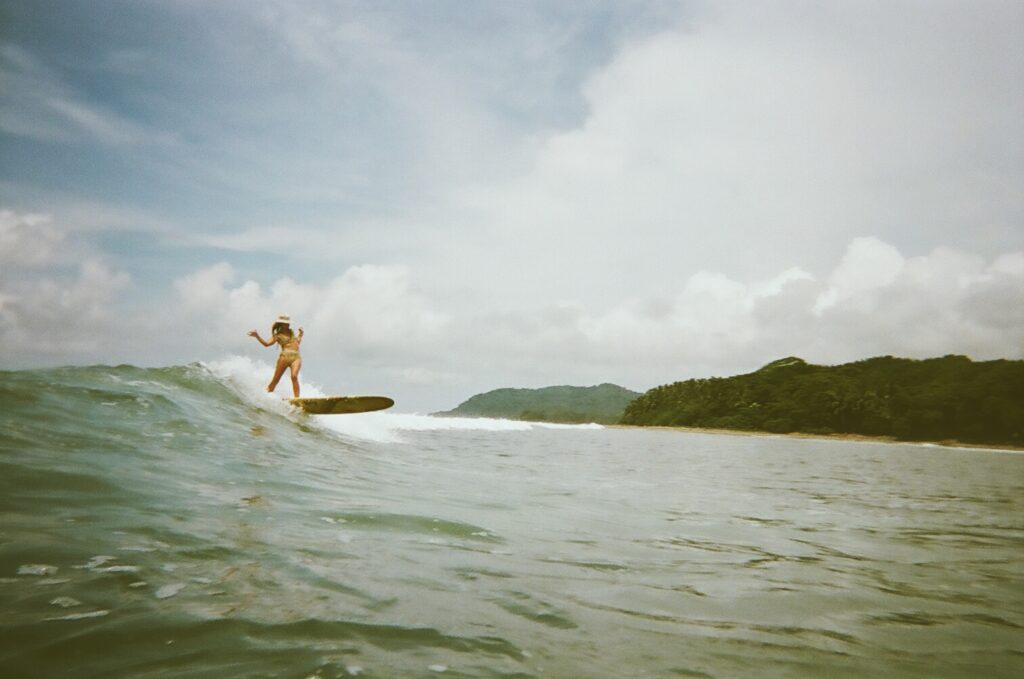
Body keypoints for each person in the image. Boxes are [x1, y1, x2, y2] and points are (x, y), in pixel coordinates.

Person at [248, 314, 304, 398]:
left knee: (294, 376)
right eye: (285, 323)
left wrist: (301, 334)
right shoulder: (277, 335)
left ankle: (297, 399)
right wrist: (257, 336)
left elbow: (297, 342)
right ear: (281, 324)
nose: (288, 324)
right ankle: (262, 397)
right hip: (284, 357)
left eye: (288, 322)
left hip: (296, 357)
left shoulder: (292, 332)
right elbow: (266, 344)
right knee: (275, 381)